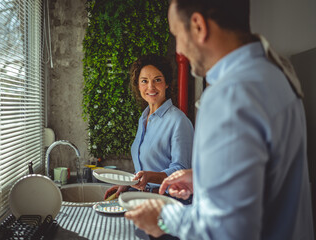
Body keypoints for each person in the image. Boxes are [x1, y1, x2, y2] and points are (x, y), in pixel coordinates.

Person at [125, 0, 315, 239]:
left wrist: (163, 216)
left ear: (198, 26)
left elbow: (226, 230)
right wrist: (203, 177)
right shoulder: (276, 75)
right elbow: (267, 179)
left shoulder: (229, 95)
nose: (180, 50)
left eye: (177, 35)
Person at [104, 54, 194, 200]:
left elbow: (182, 170)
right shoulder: (144, 118)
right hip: (144, 200)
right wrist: (128, 183)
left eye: (157, 80)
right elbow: (147, 165)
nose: (151, 87)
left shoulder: (179, 121)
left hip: (168, 203)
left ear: (167, 83)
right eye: (144, 81)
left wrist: (149, 177)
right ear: (138, 86)